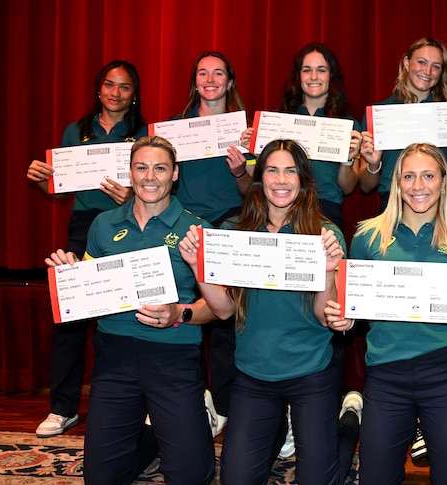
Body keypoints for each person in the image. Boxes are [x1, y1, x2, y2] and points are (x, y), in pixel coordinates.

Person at [178, 139, 361, 485]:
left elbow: (327, 316)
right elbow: (223, 310)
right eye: (273, 170)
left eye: (291, 171)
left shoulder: (325, 234)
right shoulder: (233, 232)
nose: (281, 179)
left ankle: (349, 421)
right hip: (254, 376)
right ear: (259, 178)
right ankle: (276, 428)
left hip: (311, 373)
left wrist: (326, 269)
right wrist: (198, 267)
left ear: (304, 181)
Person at [45, 135, 217, 485]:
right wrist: (71, 279)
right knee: (100, 479)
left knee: (190, 476)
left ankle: (183, 424)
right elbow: (87, 302)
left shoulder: (197, 230)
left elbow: (219, 310)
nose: (150, 176)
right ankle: (153, 438)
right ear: (129, 173)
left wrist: (178, 313)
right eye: (141, 167)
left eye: (160, 167)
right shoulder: (103, 224)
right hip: (115, 359)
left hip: (174, 358)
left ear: (175, 174)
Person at [326, 143, 447, 484]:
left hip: (445, 371)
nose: (418, 186)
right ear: (396, 182)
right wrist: (345, 319)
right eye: (409, 176)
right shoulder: (367, 238)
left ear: (444, 182)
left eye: (428, 176)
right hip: (386, 375)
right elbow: (350, 307)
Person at [26, 60, 147, 438]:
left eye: (124, 87)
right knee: (70, 316)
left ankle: (143, 406)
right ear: (99, 90)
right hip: (84, 226)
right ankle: (63, 408)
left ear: (134, 95)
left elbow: (157, 186)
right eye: (109, 85)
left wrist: (131, 195)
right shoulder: (76, 131)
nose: (115, 92)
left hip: (131, 224)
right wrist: (42, 179)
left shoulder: (144, 134)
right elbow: (60, 187)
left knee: (137, 315)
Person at [175, 51, 253, 435]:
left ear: (230, 82)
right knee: (183, 315)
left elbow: (251, 190)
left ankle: (223, 405)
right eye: (202, 72)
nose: (210, 79)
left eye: (218, 72)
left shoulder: (246, 133)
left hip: (228, 226)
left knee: (224, 320)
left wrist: (241, 169)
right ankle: (184, 401)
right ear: (195, 81)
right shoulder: (174, 129)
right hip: (184, 229)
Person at [240, 43, 362, 232]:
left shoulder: (347, 125)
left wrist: (347, 161)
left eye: (321, 70)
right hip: (279, 207)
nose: (314, 77)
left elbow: (348, 188)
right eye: (307, 70)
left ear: (332, 75)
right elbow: (253, 176)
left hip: (326, 209)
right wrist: (253, 154)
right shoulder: (277, 121)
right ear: (298, 76)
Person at [359, 37, 447, 212]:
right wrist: (374, 165)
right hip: (392, 207)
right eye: (421, 62)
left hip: (440, 208)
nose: (428, 71)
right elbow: (366, 187)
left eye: (436, 66)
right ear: (407, 63)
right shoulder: (379, 114)